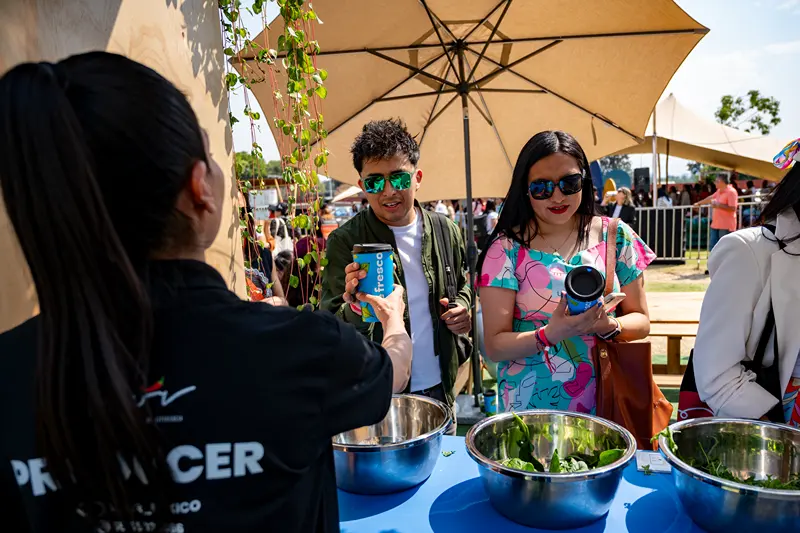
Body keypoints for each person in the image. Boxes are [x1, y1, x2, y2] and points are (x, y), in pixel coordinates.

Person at [0, 52, 413, 533]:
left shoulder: (11, 371)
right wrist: (394, 322)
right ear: (200, 188)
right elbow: (395, 374)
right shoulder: (299, 349)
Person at [477, 130, 655, 412]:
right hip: (531, 409)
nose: (557, 196)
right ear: (524, 190)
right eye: (541, 187)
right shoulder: (505, 249)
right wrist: (550, 334)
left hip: (607, 402)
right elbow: (495, 346)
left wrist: (607, 326)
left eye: (569, 183)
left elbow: (642, 321)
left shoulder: (615, 235)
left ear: (584, 181)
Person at [322, 119, 472, 427]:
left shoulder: (445, 230)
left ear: (417, 178)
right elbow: (333, 324)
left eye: (399, 178)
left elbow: (463, 286)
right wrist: (355, 306)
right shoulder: (345, 241)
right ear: (362, 186)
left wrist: (464, 308)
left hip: (440, 388)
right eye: (375, 182)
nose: (389, 191)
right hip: (379, 392)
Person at [692, 147, 800, 425]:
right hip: (775, 439)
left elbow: (729, 207)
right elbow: (717, 373)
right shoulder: (747, 251)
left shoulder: (729, 193)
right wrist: (776, 440)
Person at [694, 174, 739, 252]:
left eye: (716, 181)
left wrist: (718, 205)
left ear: (722, 182)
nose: (715, 183)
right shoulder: (719, 191)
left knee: (724, 249)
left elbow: (733, 208)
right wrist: (698, 203)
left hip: (726, 226)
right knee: (713, 248)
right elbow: (711, 198)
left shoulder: (731, 192)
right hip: (715, 224)